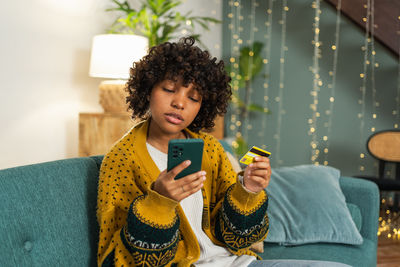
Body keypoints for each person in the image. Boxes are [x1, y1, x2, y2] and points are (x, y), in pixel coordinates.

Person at [96, 37, 349, 267]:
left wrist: (247, 192)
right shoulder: (121, 159)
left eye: (194, 98)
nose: (180, 103)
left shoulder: (211, 150)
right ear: (148, 88)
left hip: (235, 263)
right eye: (169, 89)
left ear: (202, 107)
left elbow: (238, 240)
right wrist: (159, 202)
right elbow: (119, 258)